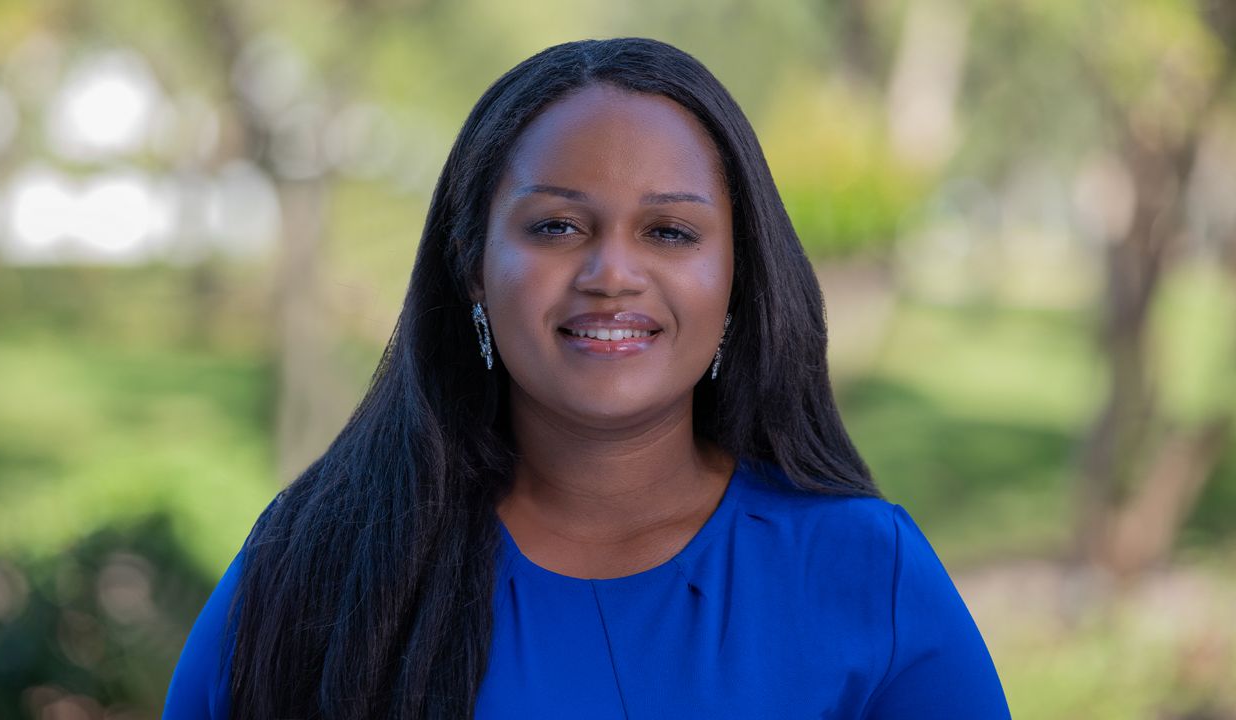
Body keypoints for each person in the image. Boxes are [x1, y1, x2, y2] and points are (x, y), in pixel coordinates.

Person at [163, 37, 1011, 719]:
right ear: (472, 265)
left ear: (739, 276)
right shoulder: (315, 565)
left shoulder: (864, 575)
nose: (612, 275)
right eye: (557, 226)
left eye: (669, 232)